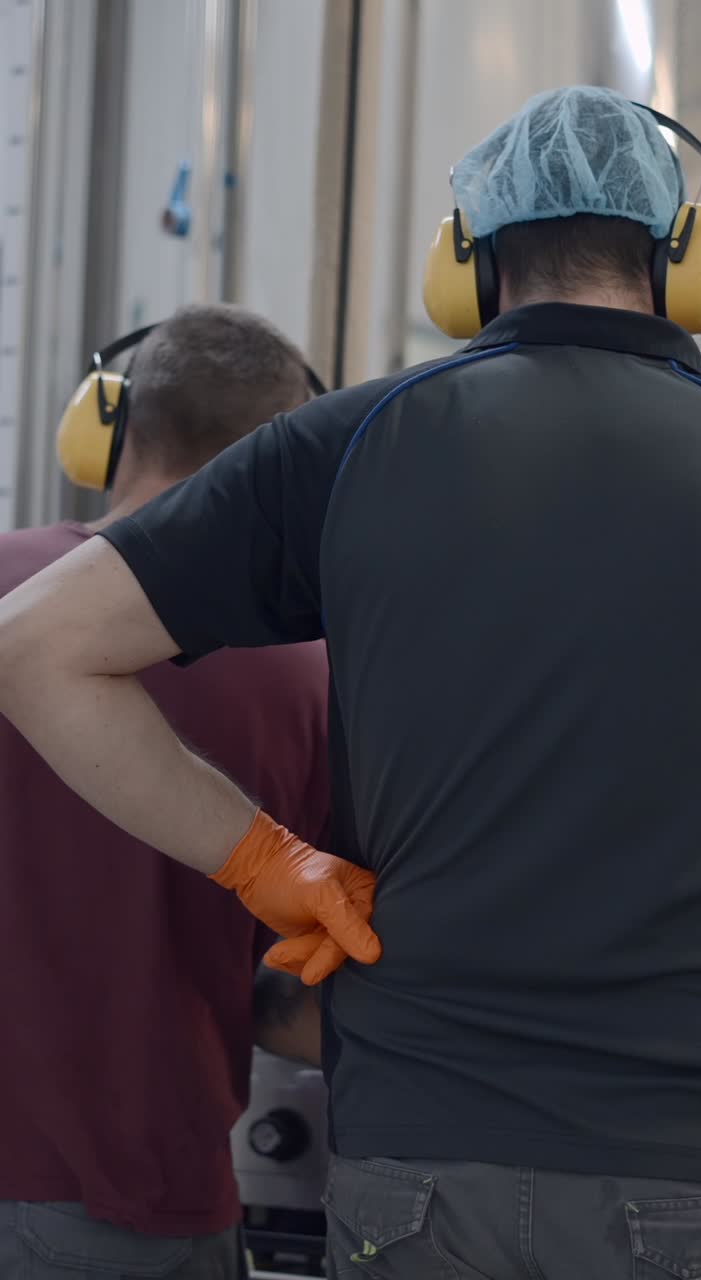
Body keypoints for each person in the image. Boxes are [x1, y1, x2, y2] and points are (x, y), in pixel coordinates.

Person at [3, 84, 701, 1277]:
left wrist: (264, 860)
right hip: (685, 1166)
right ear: (684, 262)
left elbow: (33, 646)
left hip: (419, 1171)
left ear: (468, 263)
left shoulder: (349, 443)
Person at [0, 305, 329, 1279]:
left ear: (108, 428)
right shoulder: (307, 669)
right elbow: (307, 985)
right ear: (287, 466)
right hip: (130, 1205)